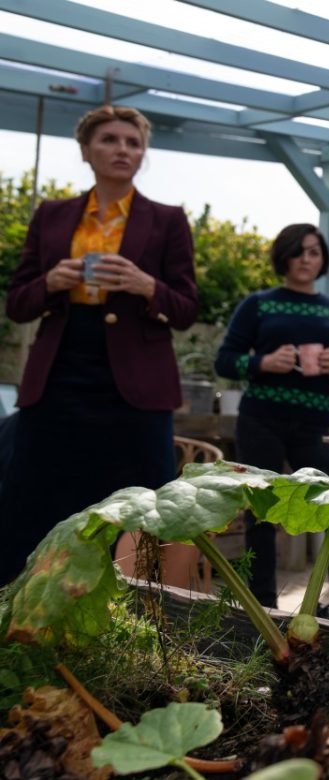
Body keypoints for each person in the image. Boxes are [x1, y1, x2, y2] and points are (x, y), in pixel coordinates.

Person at [0, 105, 198, 585]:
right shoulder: (51, 216)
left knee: (145, 504)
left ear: (142, 154)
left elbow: (187, 309)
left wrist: (146, 285)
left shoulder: (168, 220)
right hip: (58, 374)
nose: (123, 150)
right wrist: (51, 281)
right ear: (86, 150)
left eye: (133, 143)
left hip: (137, 385)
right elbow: (18, 303)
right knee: (29, 499)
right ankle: (18, 608)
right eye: (110, 140)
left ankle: (136, 615)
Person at [214, 223, 329, 610]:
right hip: (260, 420)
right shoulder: (258, 304)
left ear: (322, 259)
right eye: (298, 252)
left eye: (314, 252)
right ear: (284, 257)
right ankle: (262, 605)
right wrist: (263, 362)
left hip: (313, 426)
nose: (305, 259)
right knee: (260, 513)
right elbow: (224, 361)